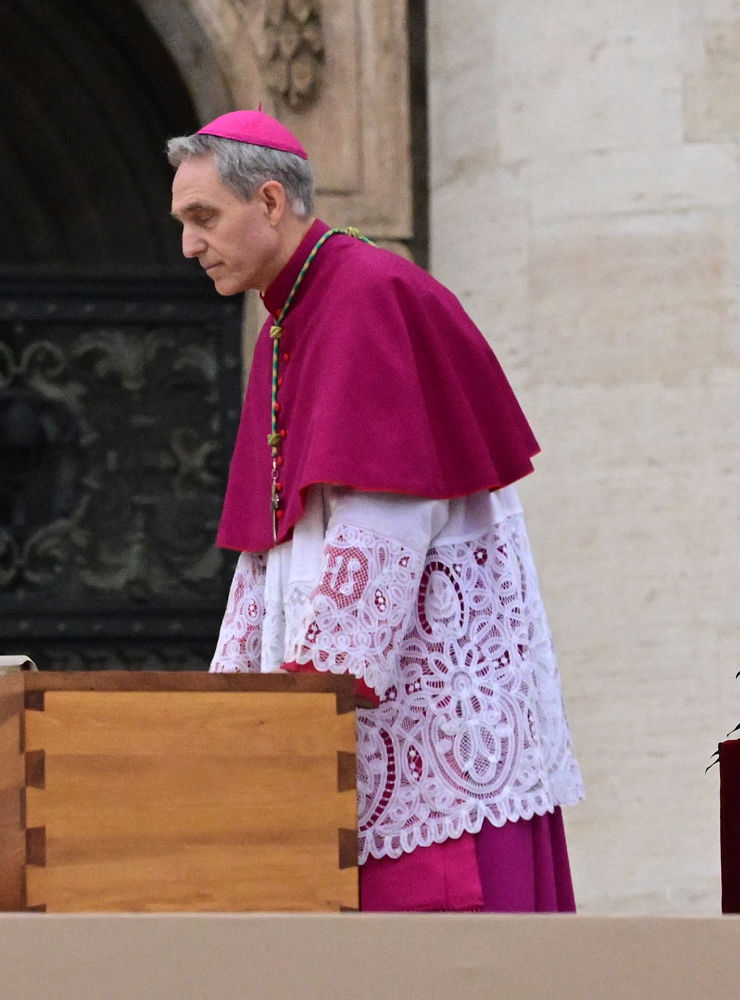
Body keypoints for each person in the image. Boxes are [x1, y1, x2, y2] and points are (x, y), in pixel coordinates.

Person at [168, 110, 583, 912]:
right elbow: (272, 542)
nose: (190, 244)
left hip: (426, 732)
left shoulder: (368, 294)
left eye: (204, 217)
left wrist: (317, 683)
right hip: (332, 724)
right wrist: (233, 696)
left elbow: (389, 506)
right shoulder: (284, 325)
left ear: (270, 202)